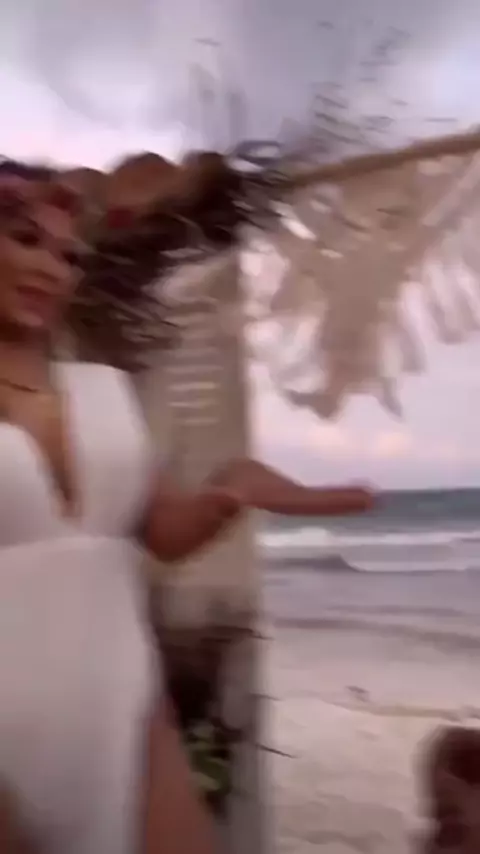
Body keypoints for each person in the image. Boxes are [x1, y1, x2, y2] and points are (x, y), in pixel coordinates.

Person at [0, 158, 374, 854]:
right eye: (26, 240)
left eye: (69, 254)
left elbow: (160, 532)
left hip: (123, 705)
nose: (51, 268)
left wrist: (229, 493)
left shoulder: (104, 389)